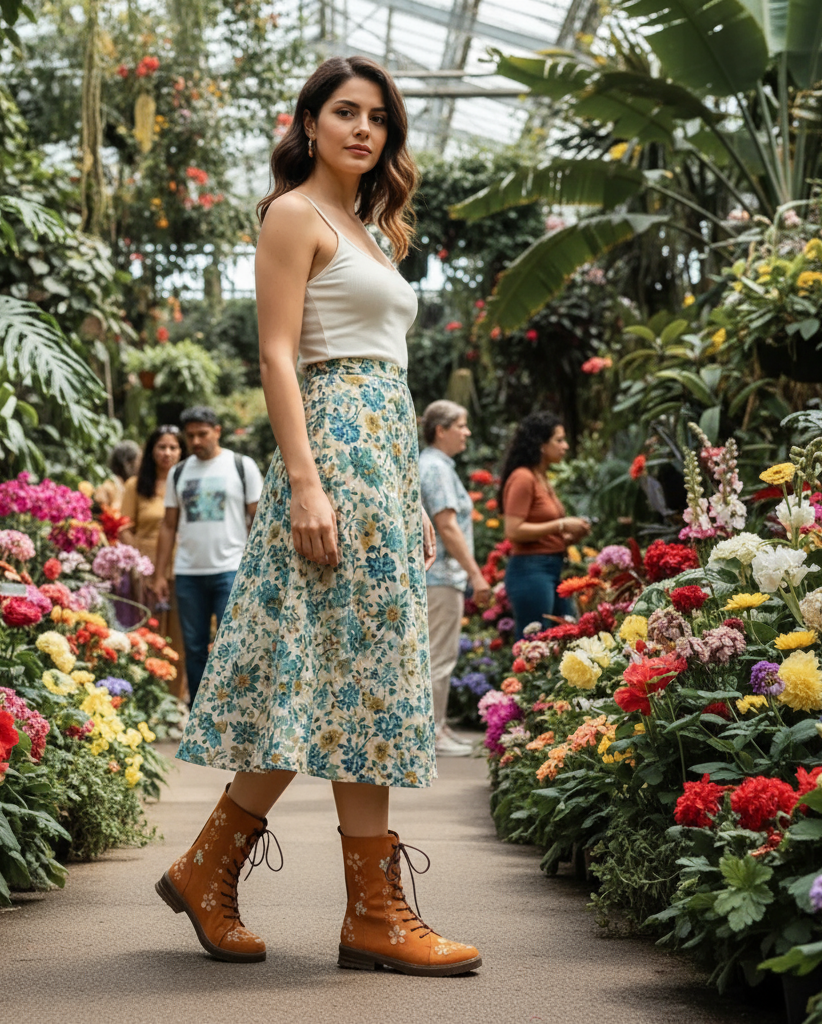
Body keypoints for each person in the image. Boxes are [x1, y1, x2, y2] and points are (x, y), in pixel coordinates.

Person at [155, 56, 481, 978]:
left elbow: (390, 370)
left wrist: (410, 497)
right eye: (344, 111)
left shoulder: (373, 227)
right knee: (327, 675)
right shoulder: (295, 215)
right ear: (308, 121)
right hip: (331, 452)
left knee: (357, 678)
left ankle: (218, 872)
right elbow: (277, 356)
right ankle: (362, 911)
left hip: (380, 462)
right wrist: (304, 482)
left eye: (378, 116)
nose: (363, 129)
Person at [149, 406, 263, 707]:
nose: (196, 441)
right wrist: (160, 574)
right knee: (194, 647)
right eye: (191, 436)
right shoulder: (179, 472)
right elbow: (169, 525)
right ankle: (200, 713)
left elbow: (260, 520)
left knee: (233, 644)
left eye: (202, 434)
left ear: (217, 431)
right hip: (189, 573)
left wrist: (258, 569)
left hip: (231, 570)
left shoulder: (242, 466)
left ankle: (235, 709)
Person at [419, 400, 490, 757]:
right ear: (440, 430)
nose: (467, 432)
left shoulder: (436, 466)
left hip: (440, 577)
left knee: (438, 654)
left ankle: (439, 726)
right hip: (441, 575)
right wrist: (477, 576)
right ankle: (431, 733)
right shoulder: (435, 468)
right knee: (438, 655)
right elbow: (446, 525)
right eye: (461, 425)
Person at [499, 412, 590, 639]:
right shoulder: (523, 478)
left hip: (553, 566)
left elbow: (543, 532)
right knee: (535, 644)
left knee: (565, 638)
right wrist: (560, 525)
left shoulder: (541, 477)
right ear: (541, 445)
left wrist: (571, 536)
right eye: (559, 440)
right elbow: (514, 530)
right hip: (531, 570)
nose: (565, 446)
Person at [119, 425, 188, 699]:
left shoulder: (188, 483)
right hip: (146, 572)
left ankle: (174, 699)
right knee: (146, 633)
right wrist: (142, 567)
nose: (167, 453)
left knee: (181, 637)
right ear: (151, 451)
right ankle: (144, 698)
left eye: (173, 447)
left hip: (184, 568)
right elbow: (124, 527)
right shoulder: (135, 485)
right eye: (162, 447)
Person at [94, 440, 141, 510]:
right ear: (127, 463)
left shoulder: (131, 487)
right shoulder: (109, 487)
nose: (141, 465)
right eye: (139, 460)